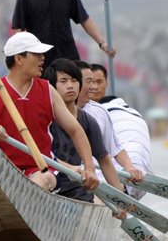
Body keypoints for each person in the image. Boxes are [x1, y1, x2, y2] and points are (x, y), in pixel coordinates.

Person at [0, 32, 99, 193]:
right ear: (18, 59)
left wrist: (89, 169)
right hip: (3, 169)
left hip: (42, 169)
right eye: (37, 54)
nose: (42, 58)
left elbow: (76, 130)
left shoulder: (48, 91)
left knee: (42, 180)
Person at [43, 58, 123, 203]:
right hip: (50, 182)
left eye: (74, 80)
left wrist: (120, 198)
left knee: (96, 198)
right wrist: (71, 168)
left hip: (78, 186)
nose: (70, 86)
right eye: (63, 81)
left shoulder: (88, 120)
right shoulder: (44, 117)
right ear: (52, 86)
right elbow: (42, 154)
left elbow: (104, 159)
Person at [76, 60, 145, 190]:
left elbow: (115, 149)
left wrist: (130, 168)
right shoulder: (58, 110)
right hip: (70, 175)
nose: (93, 87)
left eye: (96, 82)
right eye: (89, 82)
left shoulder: (99, 112)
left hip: (97, 180)